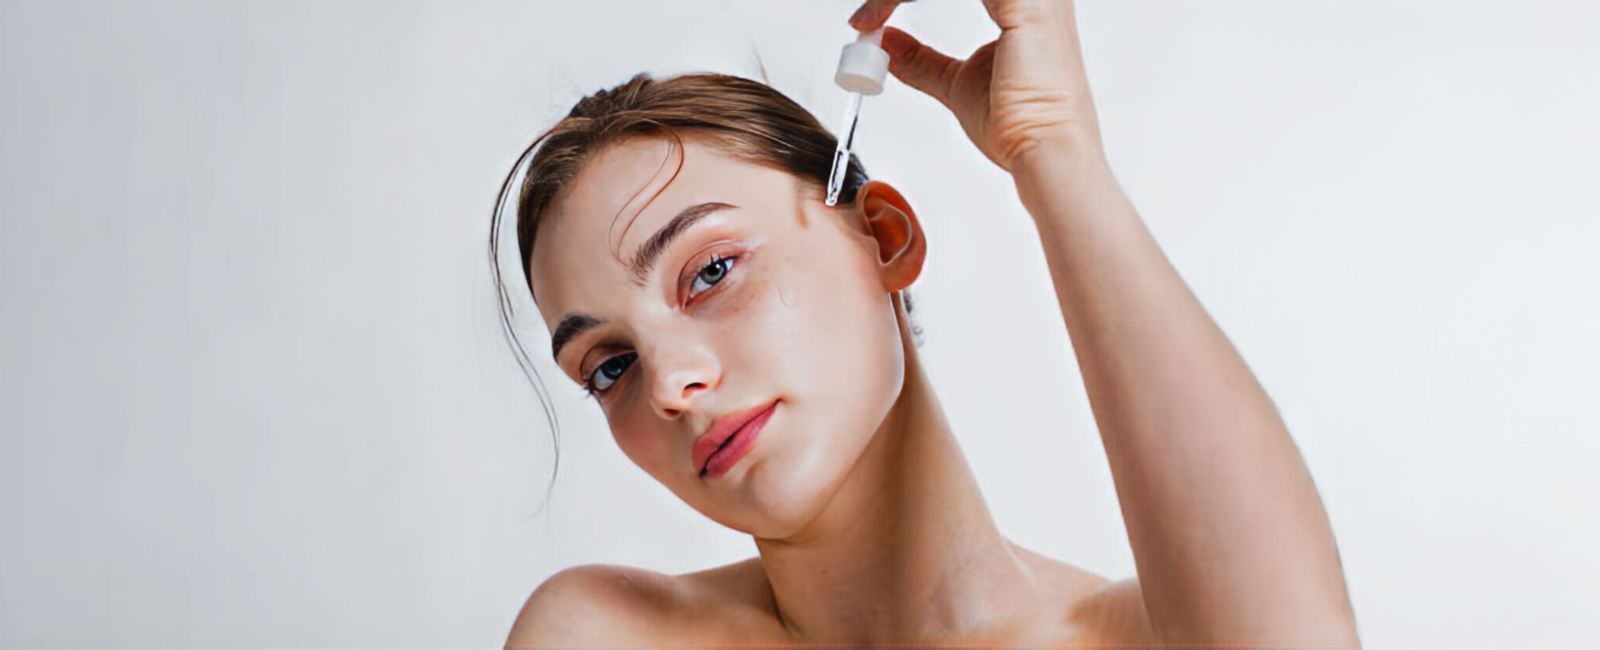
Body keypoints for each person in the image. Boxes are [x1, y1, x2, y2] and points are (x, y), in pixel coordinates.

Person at [494, 0, 1359, 646]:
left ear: (884, 236)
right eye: (609, 366)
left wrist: (1052, 149)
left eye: (712, 271)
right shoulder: (605, 637)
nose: (673, 385)